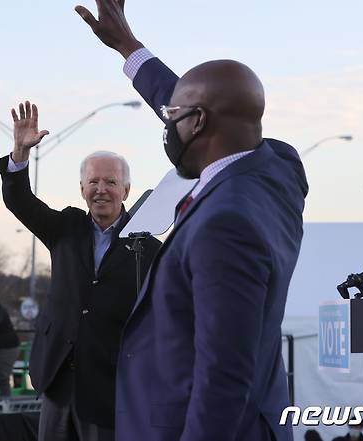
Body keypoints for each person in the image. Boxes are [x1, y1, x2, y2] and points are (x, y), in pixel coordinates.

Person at [75, 2, 308, 441]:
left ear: (198, 124)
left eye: (172, 118)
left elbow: (223, 375)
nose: (167, 125)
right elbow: (212, 107)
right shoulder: (279, 170)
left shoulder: (226, 223)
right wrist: (129, 48)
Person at [0, 101, 161, 441]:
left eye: (111, 182)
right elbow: (20, 201)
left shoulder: (146, 246)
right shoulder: (66, 227)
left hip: (109, 382)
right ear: (82, 189)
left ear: (126, 190)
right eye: (93, 182)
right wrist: (19, 154)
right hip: (57, 376)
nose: (101, 189)